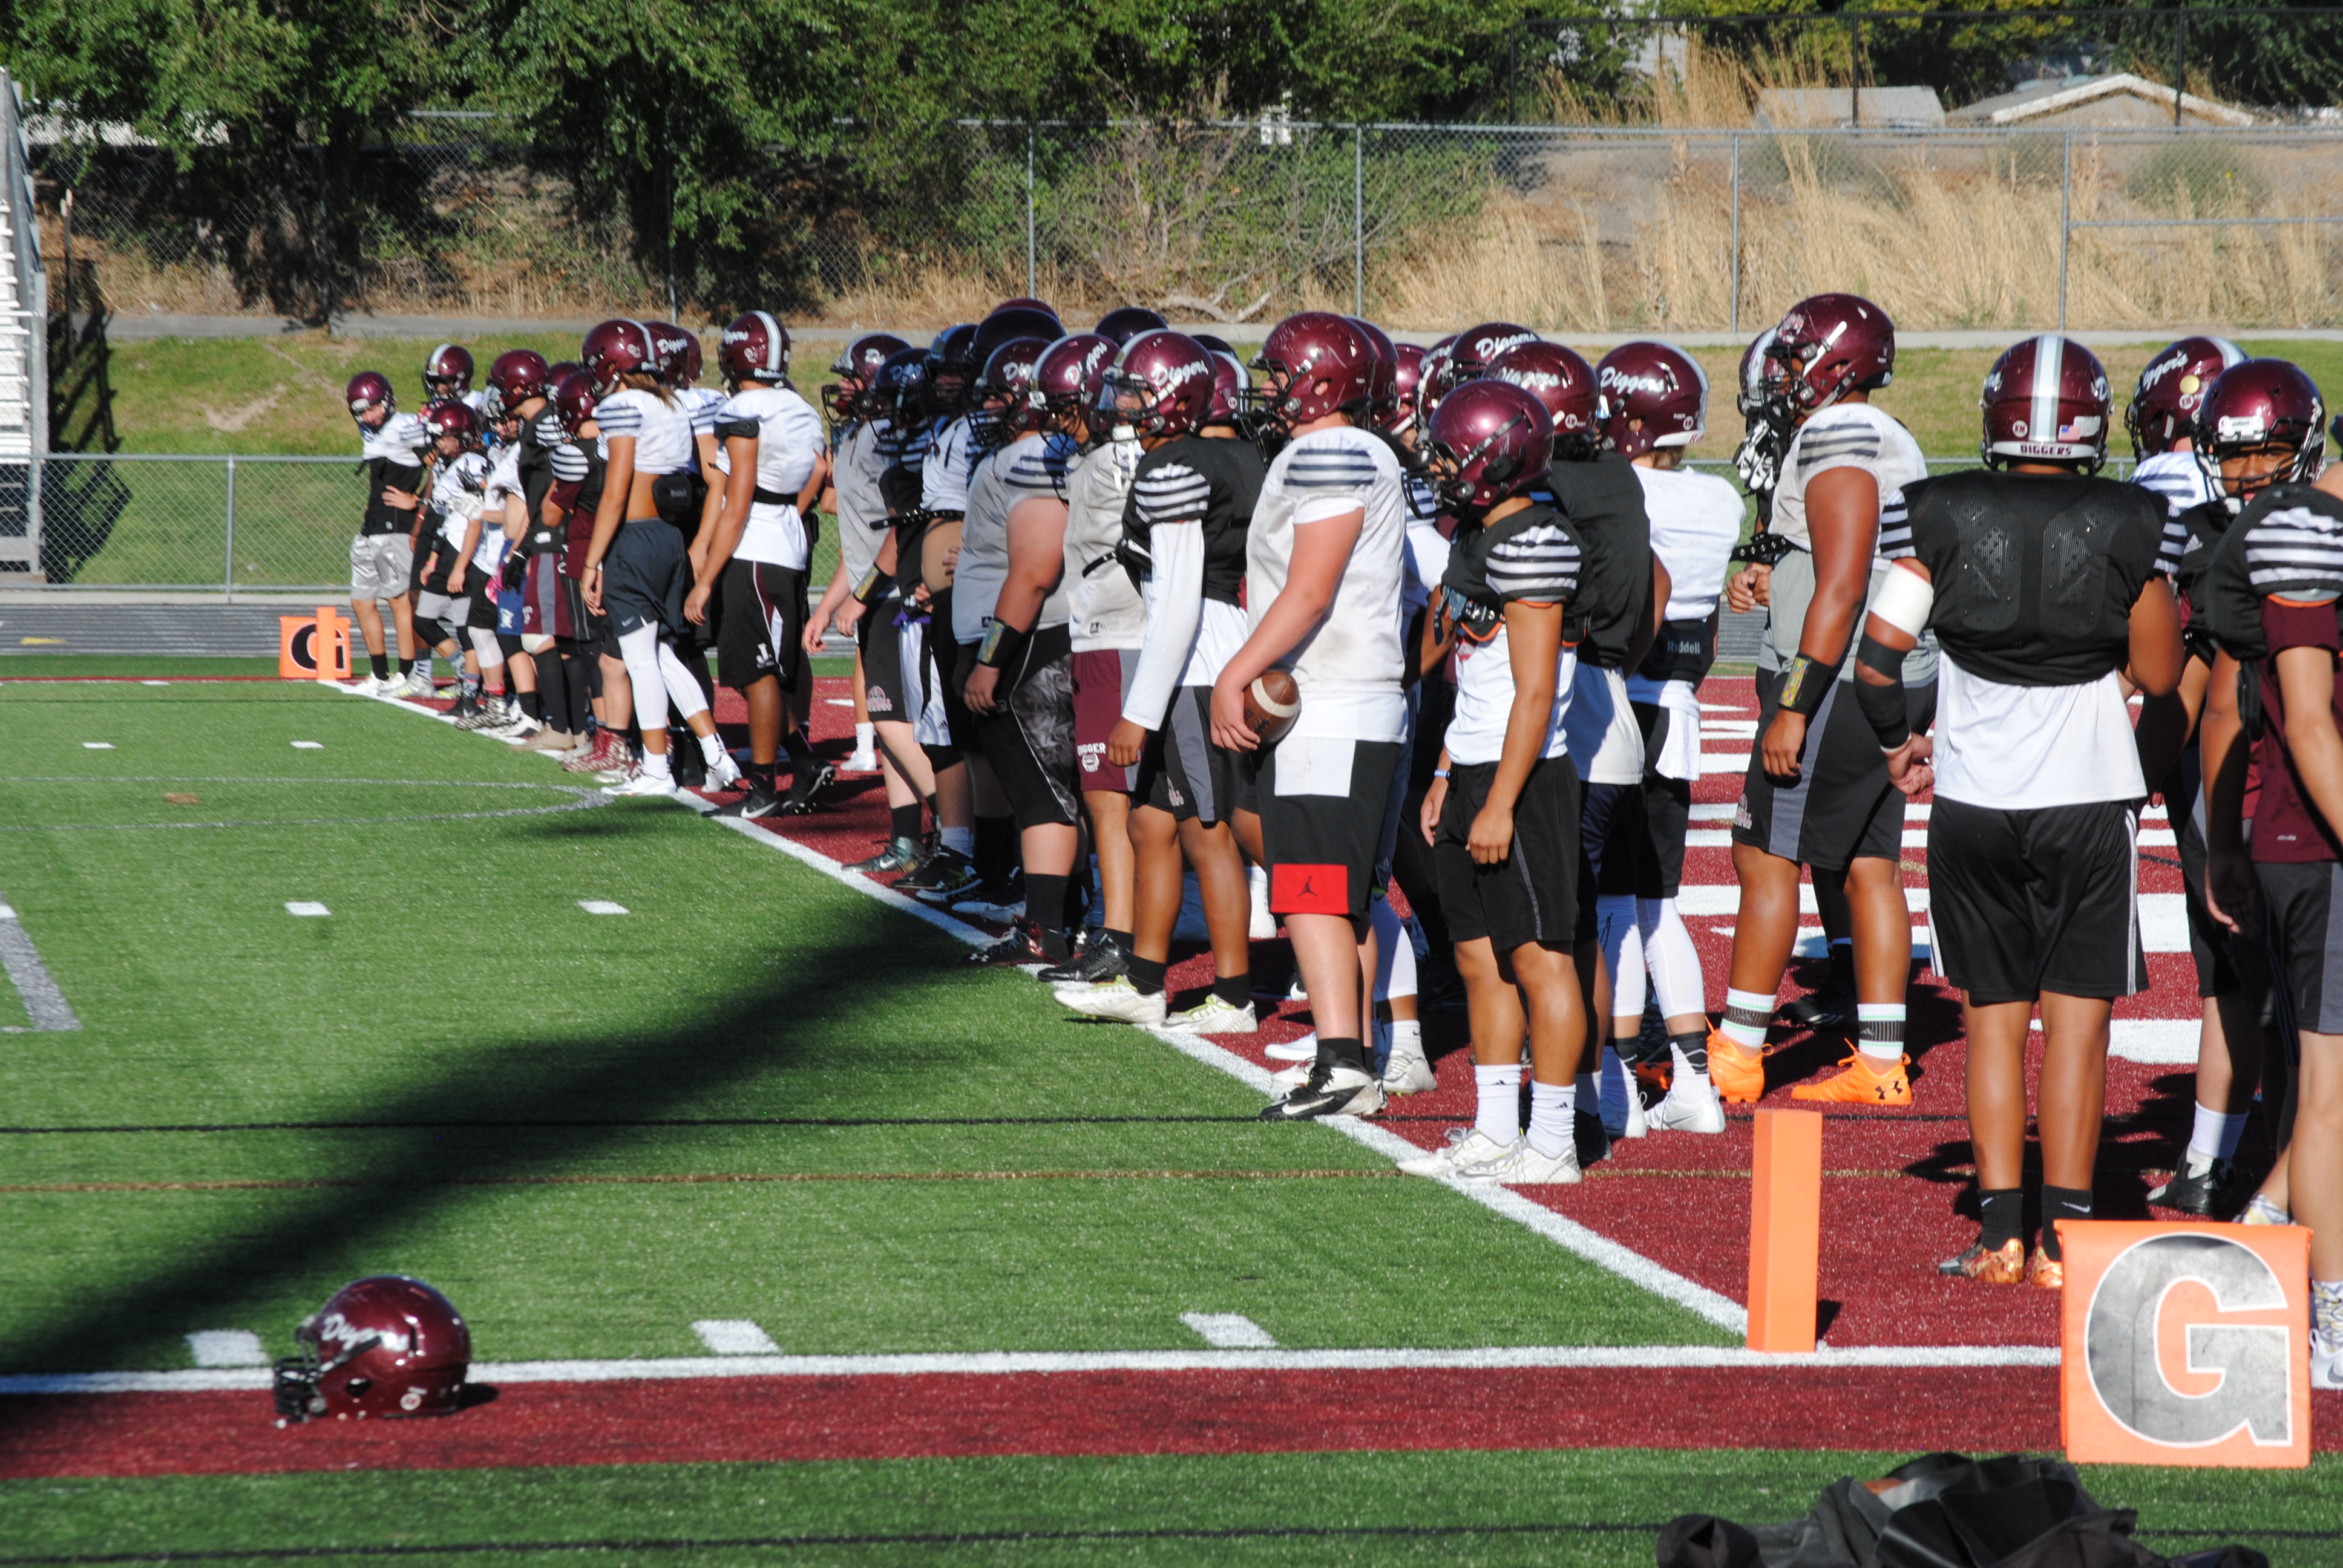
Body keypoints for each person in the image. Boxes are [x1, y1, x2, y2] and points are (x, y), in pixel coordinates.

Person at [1852, 335, 2182, 1287]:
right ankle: (2065, 1244)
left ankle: (2000, 1235)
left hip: (1973, 801)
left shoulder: (1941, 512)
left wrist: (1895, 743)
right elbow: (2159, 675)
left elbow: (1879, 660)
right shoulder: (2130, 519)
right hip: (2085, 798)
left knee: (1994, 1020)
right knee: (2077, 1027)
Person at [1715, 295, 1932, 1108]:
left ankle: (1735, 1055)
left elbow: (1843, 583)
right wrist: (1780, 577)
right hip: (1883, 668)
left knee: (1766, 856)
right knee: (1870, 862)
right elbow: (1847, 563)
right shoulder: (1880, 433)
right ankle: (1880, 1062)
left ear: (1835, 363)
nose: (1781, 371)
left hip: (1837, 676)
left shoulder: (1841, 431)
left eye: (1794, 355)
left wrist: (1796, 703)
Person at [1213, 312, 1407, 1120]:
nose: (1270, 388)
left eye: (1282, 372)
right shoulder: (1353, 452)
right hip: (1349, 702)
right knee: (1336, 893)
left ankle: (1342, 1065)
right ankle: (1352, 1054)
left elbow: (1311, 588)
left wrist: (1238, 670)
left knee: (1313, 891)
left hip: (1336, 704)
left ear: (1324, 379)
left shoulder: (1336, 451)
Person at [2197, 359, 2343, 1386]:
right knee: (2329, 1093)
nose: (2246, 470)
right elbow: (2298, 716)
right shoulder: (2299, 528)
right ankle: (2327, 1319)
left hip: (2300, 838)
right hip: (2317, 839)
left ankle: (2252, 1233)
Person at [1401, 377, 1587, 1180]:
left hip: (1528, 776)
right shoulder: (1478, 535)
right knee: (1478, 957)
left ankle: (1553, 1141)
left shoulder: (1538, 539)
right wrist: (1446, 769)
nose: (1438, 468)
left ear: (1494, 458)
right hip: (1474, 762)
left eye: (1450, 454)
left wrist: (1503, 801)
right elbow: (1472, 677)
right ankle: (1495, 1127)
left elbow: (1537, 692)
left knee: (1540, 958)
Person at [1489, 338, 1663, 1152]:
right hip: (1604, 699)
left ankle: (1588, 1099)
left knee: (1560, 929)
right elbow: (1653, 583)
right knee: (1582, 921)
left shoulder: (1556, 488)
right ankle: (1594, 1092)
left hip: (1575, 716)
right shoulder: (1615, 474)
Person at [1063, 330, 1263, 1030]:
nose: (1126, 403)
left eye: (1140, 390)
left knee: (1209, 834)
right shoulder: (1233, 452)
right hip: (1196, 650)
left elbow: (1177, 599)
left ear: (1174, 393)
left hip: (1194, 661)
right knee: (1150, 824)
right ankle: (1144, 982)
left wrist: (1138, 711)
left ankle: (1235, 994)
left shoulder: (1177, 463)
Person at [2125, 337, 2275, 1217]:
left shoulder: (2196, 529)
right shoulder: (2235, 531)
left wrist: (2131, 779)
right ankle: (2218, 1159)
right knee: (2239, 974)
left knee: (2260, 984)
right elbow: (2191, 682)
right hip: (2251, 781)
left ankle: (2239, 1167)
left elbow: (2192, 688)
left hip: (2249, 784)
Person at [1600, 339, 1743, 1135]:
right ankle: (1692, 1080)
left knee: (1616, 902)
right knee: (1658, 904)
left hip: (1622, 702)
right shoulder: (1719, 500)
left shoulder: (1618, 492)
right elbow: (1713, 627)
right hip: (1679, 704)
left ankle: (1622, 1086)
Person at [576, 318, 743, 799]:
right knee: (664, 655)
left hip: (636, 538)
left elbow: (616, 490)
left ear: (613, 364)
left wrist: (594, 562)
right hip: (670, 537)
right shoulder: (670, 401)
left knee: (638, 659)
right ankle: (717, 754)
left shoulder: (624, 404)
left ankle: (655, 767)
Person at [958, 337, 1086, 964]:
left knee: (1045, 795)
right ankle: (1063, 919)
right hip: (1046, 635)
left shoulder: (1039, 455)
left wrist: (990, 657)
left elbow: (1034, 569)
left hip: (1034, 641)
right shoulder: (1046, 453)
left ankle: (1047, 928)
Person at [690, 312, 833, 819]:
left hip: (755, 547)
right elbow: (817, 470)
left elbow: (738, 498)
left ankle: (765, 787)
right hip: (787, 540)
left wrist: (705, 579)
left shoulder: (744, 407)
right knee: (763, 670)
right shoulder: (798, 406)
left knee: (757, 672)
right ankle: (804, 762)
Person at [1043, 332, 1144, 985]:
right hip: (1099, 629)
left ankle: (1122, 935)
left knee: (1110, 794)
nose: (1058, 421)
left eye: (1064, 406)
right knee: (1104, 794)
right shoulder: (1099, 459)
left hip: (1120, 632)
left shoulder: (1123, 458)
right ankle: (1122, 927)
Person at [813, 332, 909, 777]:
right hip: (875, 596)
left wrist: (862, 596)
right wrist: (827, 606)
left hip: (897, 598)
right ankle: (908, 836)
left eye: (852, 378)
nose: (843, 388)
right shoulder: (856, 436)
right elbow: (859, 543)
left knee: (905, 728)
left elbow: (901, 529)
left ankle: (954, 834)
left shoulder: (888, 439)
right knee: (891, 730)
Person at [344, 371, 431, 696]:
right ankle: (380, 674)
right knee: (362, 601)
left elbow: (444, 464)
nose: (370, 416)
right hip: (373, 528)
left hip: (396, 527)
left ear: (389, 400)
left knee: (398, 601)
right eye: (362, 412)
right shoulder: (372, 431)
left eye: (375, 408)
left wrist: (419, 501)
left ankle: (407, 673)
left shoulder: (407, 425)